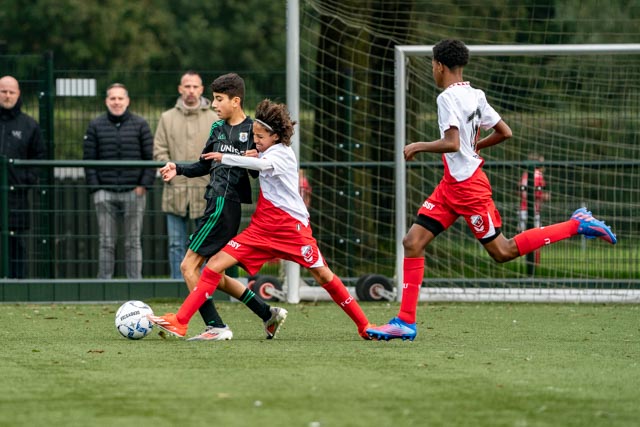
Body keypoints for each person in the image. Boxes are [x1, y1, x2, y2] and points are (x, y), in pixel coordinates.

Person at [366, 39, 617, 342]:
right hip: (451, 186)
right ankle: (405, 322)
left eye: (433, 66)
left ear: (438, 66)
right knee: (413, 242)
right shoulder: (476, 94)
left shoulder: (446, 98)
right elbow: (505, 132)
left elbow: (453, 143)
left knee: (503, 251)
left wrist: (419, 145)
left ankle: (576, 224)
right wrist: (476, 147)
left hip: (469, 188)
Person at [148, 99, 373, 340]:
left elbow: (258, 164)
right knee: (213, 266)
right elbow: (255, 160)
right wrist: (245, 152)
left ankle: (364, 325)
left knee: (323, 275)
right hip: (262, 228)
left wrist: (227, 157)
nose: (256, 141)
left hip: (292, 229)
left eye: (261, 137)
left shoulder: (283, 154)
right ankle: (181, 322)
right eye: (254, 136)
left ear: (275, 136)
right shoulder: (265, 148)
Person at [155, 73, 277, 342]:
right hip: (214, 201)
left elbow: (258, 173)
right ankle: (267, 312)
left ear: (236, 100)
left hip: (225, 203)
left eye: (219, 99)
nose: (213, 104)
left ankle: (215, 326)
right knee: (214, 273)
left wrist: (254, 156)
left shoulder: (251, 131)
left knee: (188, 266)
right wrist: (178, 168)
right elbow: (204, 165)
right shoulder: (216, 129)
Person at [83, 83, 155, 280]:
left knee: (133, 241)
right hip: (104, 192)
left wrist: (143, 185)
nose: (116, 102)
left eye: (120, 98)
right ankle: (104, 283)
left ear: (127, 101)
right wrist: (96, 189)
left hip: (134, 191)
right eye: (112, 98)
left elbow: (151, 158)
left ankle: (135, 284)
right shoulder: (95, 125)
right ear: (107, 101)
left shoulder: (140, 124)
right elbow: (88, 159)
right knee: (106, 241)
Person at [153, 71, 216, 279]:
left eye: (195, 86)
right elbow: (159, 150)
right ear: (180, 89)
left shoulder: (214, 118)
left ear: (201, 89)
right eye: (187, 86)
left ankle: (204, 287)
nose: (191, 90)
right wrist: (169, 173)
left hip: (205, 190)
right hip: (175, 189)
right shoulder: (167, 117)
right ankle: (176, 285)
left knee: (205, 245)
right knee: (175, 243)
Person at [0, 76, 46, 278]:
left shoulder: (29, 125)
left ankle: (17, 284)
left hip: (16, 197)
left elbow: (39, 157)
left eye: (11, 92)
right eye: (3, 91)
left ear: (18, 94)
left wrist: (25, 181)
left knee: (16, 243)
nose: (7, 95)